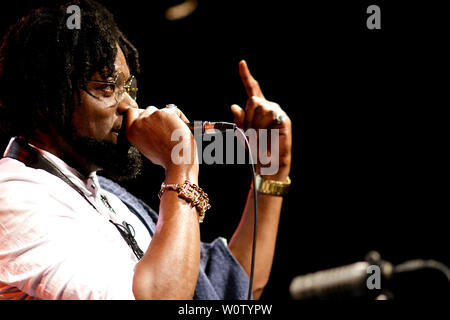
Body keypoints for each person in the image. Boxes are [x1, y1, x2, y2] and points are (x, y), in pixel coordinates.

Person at [0, 0, 292, 300]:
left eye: (129, 87)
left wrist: (271, 172)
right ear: (46, 102)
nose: (129, 105)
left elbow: (232, 288)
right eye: (107, 87)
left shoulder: (107, 197)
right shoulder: (14, 197)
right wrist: (182, 165)